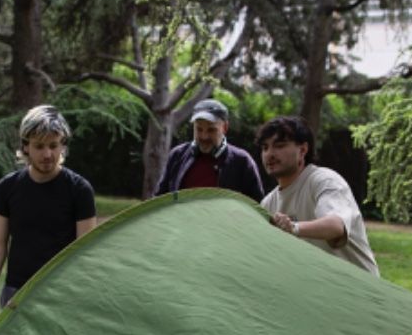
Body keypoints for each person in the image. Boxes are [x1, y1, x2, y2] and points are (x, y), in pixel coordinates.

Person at [0, 105, 97, 335]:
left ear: (63, 145)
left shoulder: (79, 190)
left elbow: (86, 254)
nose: (47, 154)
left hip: (62, 295)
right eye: (39, 146)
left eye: (54, 145)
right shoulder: (8, 188)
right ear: (25, 147)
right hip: (16, 294)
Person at [257, 115, 380, 276]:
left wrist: (293, 228)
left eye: (279, 146)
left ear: (302, 150)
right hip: (317, 293)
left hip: (360, 292)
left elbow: (336, 226)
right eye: (265, 148)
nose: (270, 154)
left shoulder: (324, 181)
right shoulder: (268, 203)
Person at [154, 97, 264, 201]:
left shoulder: (242, 161)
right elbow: (159, 200)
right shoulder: (177, 155)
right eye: (199, 129)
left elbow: (257, 206)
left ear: (224, 128)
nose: (204, 136)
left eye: (211, 130)